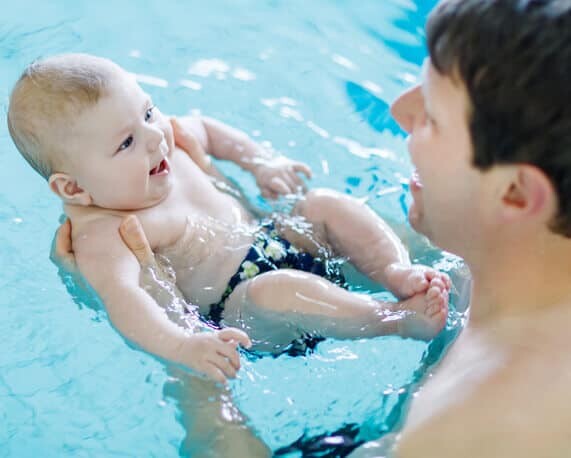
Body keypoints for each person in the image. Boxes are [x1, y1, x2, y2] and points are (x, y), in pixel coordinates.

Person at [7, 53, 450, 386]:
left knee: (325, 203)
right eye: (125, 143)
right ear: (73, 189)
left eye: (147, 111)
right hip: (243, 308)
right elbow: (125, 299)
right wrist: (181, 346)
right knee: (276, 289)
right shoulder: (105, 231)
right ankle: (393, 319)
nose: (154, 136)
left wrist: (262, 163)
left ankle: (395, 271)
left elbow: (209, 130)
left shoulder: (166, 142)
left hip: (275, 237)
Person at [349, 0, 571, 456]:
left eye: (430, 114)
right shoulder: (522, 262)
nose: (398, 110)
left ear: (515, 195)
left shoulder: (473, 430)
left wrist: (194, 373)